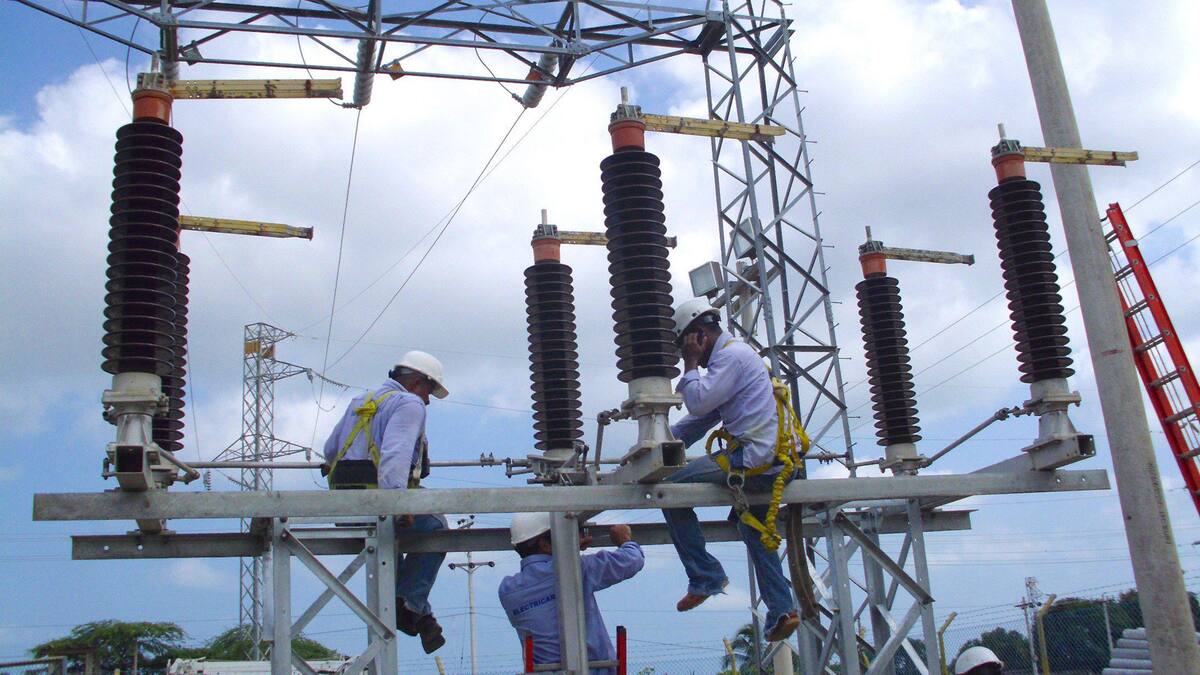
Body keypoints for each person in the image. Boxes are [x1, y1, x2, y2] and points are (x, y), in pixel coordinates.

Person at [661, 298, 801, 643]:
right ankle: (782, 609)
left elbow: (698, 403)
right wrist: (657, 444)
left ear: (699, 335)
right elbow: (700, 420)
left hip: (754, 462)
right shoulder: (737, 358)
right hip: (773, 462)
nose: (687, 356)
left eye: (686, 347)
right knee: (753, 528)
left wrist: (690, 364)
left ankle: (705, 576)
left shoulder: (730, 358)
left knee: (670, 489)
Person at [322, 350, 450, 654]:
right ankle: (412, 608)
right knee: (435, 525)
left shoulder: (361, 401)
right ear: (418, 383)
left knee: (391, 549)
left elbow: (330, 451)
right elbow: (396, 455)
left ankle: (418, 613)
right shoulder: (409, 403)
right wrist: (398, 505)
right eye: (429, 391)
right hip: (379, 505)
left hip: (345, 508)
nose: (428, 401)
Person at [499, 513, 644, 674]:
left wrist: (568, 549)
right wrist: (624, 540)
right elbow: (632, 560)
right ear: (545, 544)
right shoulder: (575, 569)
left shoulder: (507, 590)